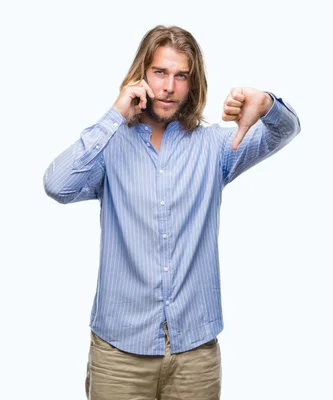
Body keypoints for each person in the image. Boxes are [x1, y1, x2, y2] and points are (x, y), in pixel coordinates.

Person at [43, 25, 301, 400]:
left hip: (195, 353)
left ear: (193, 84)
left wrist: (267, 104)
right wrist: (115, 113)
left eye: (182, 76)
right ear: (141, 76)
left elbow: (284, 131)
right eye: (160, 73)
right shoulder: (110, 148)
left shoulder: (216, 147)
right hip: (119, 354)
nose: (169, 87)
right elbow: (57, 185)